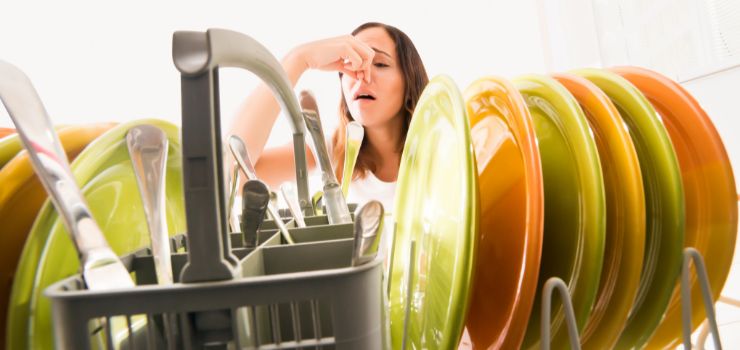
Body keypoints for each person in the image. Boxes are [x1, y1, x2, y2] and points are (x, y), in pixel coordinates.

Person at [229, 22, 428, 212]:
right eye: (351, 65)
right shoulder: (328, 153)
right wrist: (299, 58)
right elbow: (231, 176)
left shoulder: (446, 150)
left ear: (409, 82)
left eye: (381, 64)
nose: (362, 75)